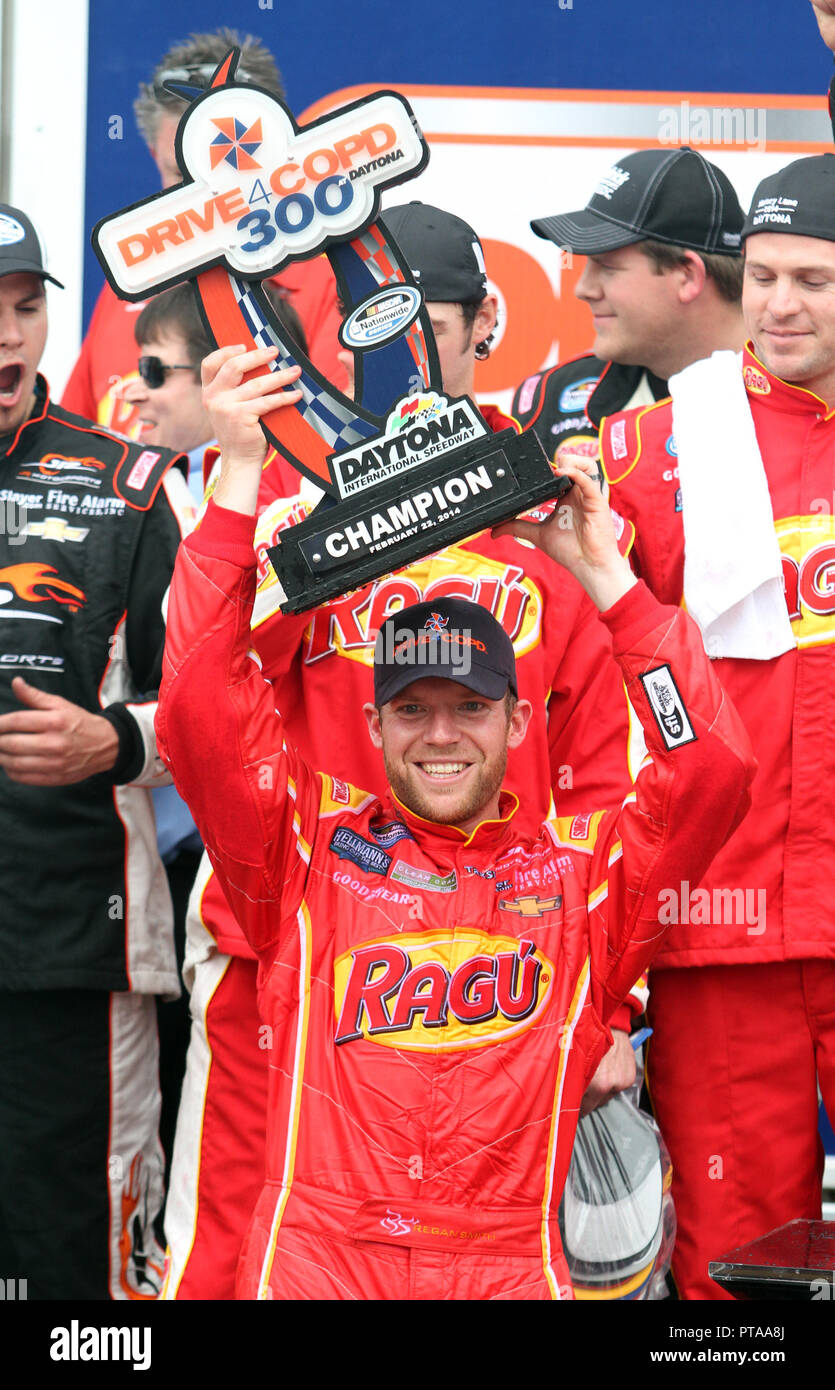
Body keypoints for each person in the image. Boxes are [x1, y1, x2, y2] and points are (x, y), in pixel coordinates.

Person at [155, 334, 754, 1301]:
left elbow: (711, 771)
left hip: (508, 1263)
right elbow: (196, 712)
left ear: (519, 719)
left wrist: (605, 578)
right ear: (373, 722)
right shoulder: (304, 853)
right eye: (414, 709)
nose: (441, 735)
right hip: (321, 1258)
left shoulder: (580, 877)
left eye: (470, 706)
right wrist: (234, 482)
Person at [598, 152, 835, 1299]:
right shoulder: (653, 451)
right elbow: (585, 712)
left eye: (816, 281)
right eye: (769, 275)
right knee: (736, 1272)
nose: (781, 305)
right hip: (723, 929)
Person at [0, 203, 193, 1299]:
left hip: (78, 947)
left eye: (26, 310)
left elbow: (218, 713)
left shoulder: (127, 487)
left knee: (81, 1272)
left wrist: (113, 740)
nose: (9, 338)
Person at [61, 27, 346, 438]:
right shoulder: (132, 284)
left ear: (279, 150)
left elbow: (326, 458)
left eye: (220, 175)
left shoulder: (332, 285)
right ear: (154, 157)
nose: (204, 204)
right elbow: (78, 449)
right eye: (182, 178)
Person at [512, 147, 745, 471]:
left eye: (606, 266)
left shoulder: (805, 395)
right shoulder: (550, 400)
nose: (583, 289)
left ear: (687, 276)